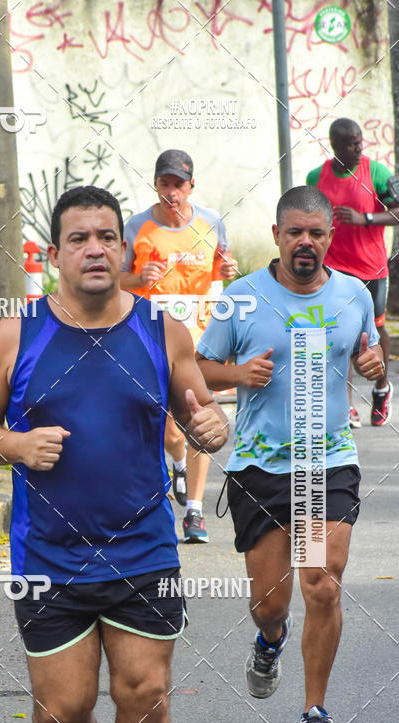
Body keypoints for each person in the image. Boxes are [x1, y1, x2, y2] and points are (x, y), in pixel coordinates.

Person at [0, 185, 228, 723]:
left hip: (144, 547)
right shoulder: (18, 334)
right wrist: (14, 446)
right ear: (54, 256)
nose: (95, 249)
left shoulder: (162, 331)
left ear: (125, 247)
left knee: (146, 691)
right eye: (79, 238)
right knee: (61, 712)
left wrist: (210, 428)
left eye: (107, 235)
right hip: (49, 555)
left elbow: (199, 408)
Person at [196, 186, 383, 723]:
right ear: (277, 235)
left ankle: (315, 713)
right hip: (262, 466)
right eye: (295, 232)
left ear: (331, 238)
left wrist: (375, 365)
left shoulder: (353, 294)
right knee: (272, 603)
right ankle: (270, 639)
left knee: (321, 583)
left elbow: (371, 356)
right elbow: (199, 367)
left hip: (329, 461)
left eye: (317, 233)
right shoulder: (241, 297)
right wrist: (236, 375)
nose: (306, 242)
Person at [120, 149, 237, 543]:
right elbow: (115, 282)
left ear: (191, 187)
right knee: (171, 432)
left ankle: (195, 511)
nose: (172, 192)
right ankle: (178, 464)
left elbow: (223, 267)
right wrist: (138, 279)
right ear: (156, 185)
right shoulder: (137, 227)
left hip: (200, 341)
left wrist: (226, 271)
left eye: (179, 185)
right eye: (165, 183)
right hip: (153, 339)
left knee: (199, 420)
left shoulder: (211, 222)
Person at [307, 117, 399, 427]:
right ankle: (345, 405)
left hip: (371, 269)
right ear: (334, 146)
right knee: (339, 335)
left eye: (360, 141)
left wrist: (366, 219)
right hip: (334, 270)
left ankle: (381, 388)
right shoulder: (315, 177)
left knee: (374, 332)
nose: (359, 147)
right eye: (351, 143)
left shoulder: (376, 172)